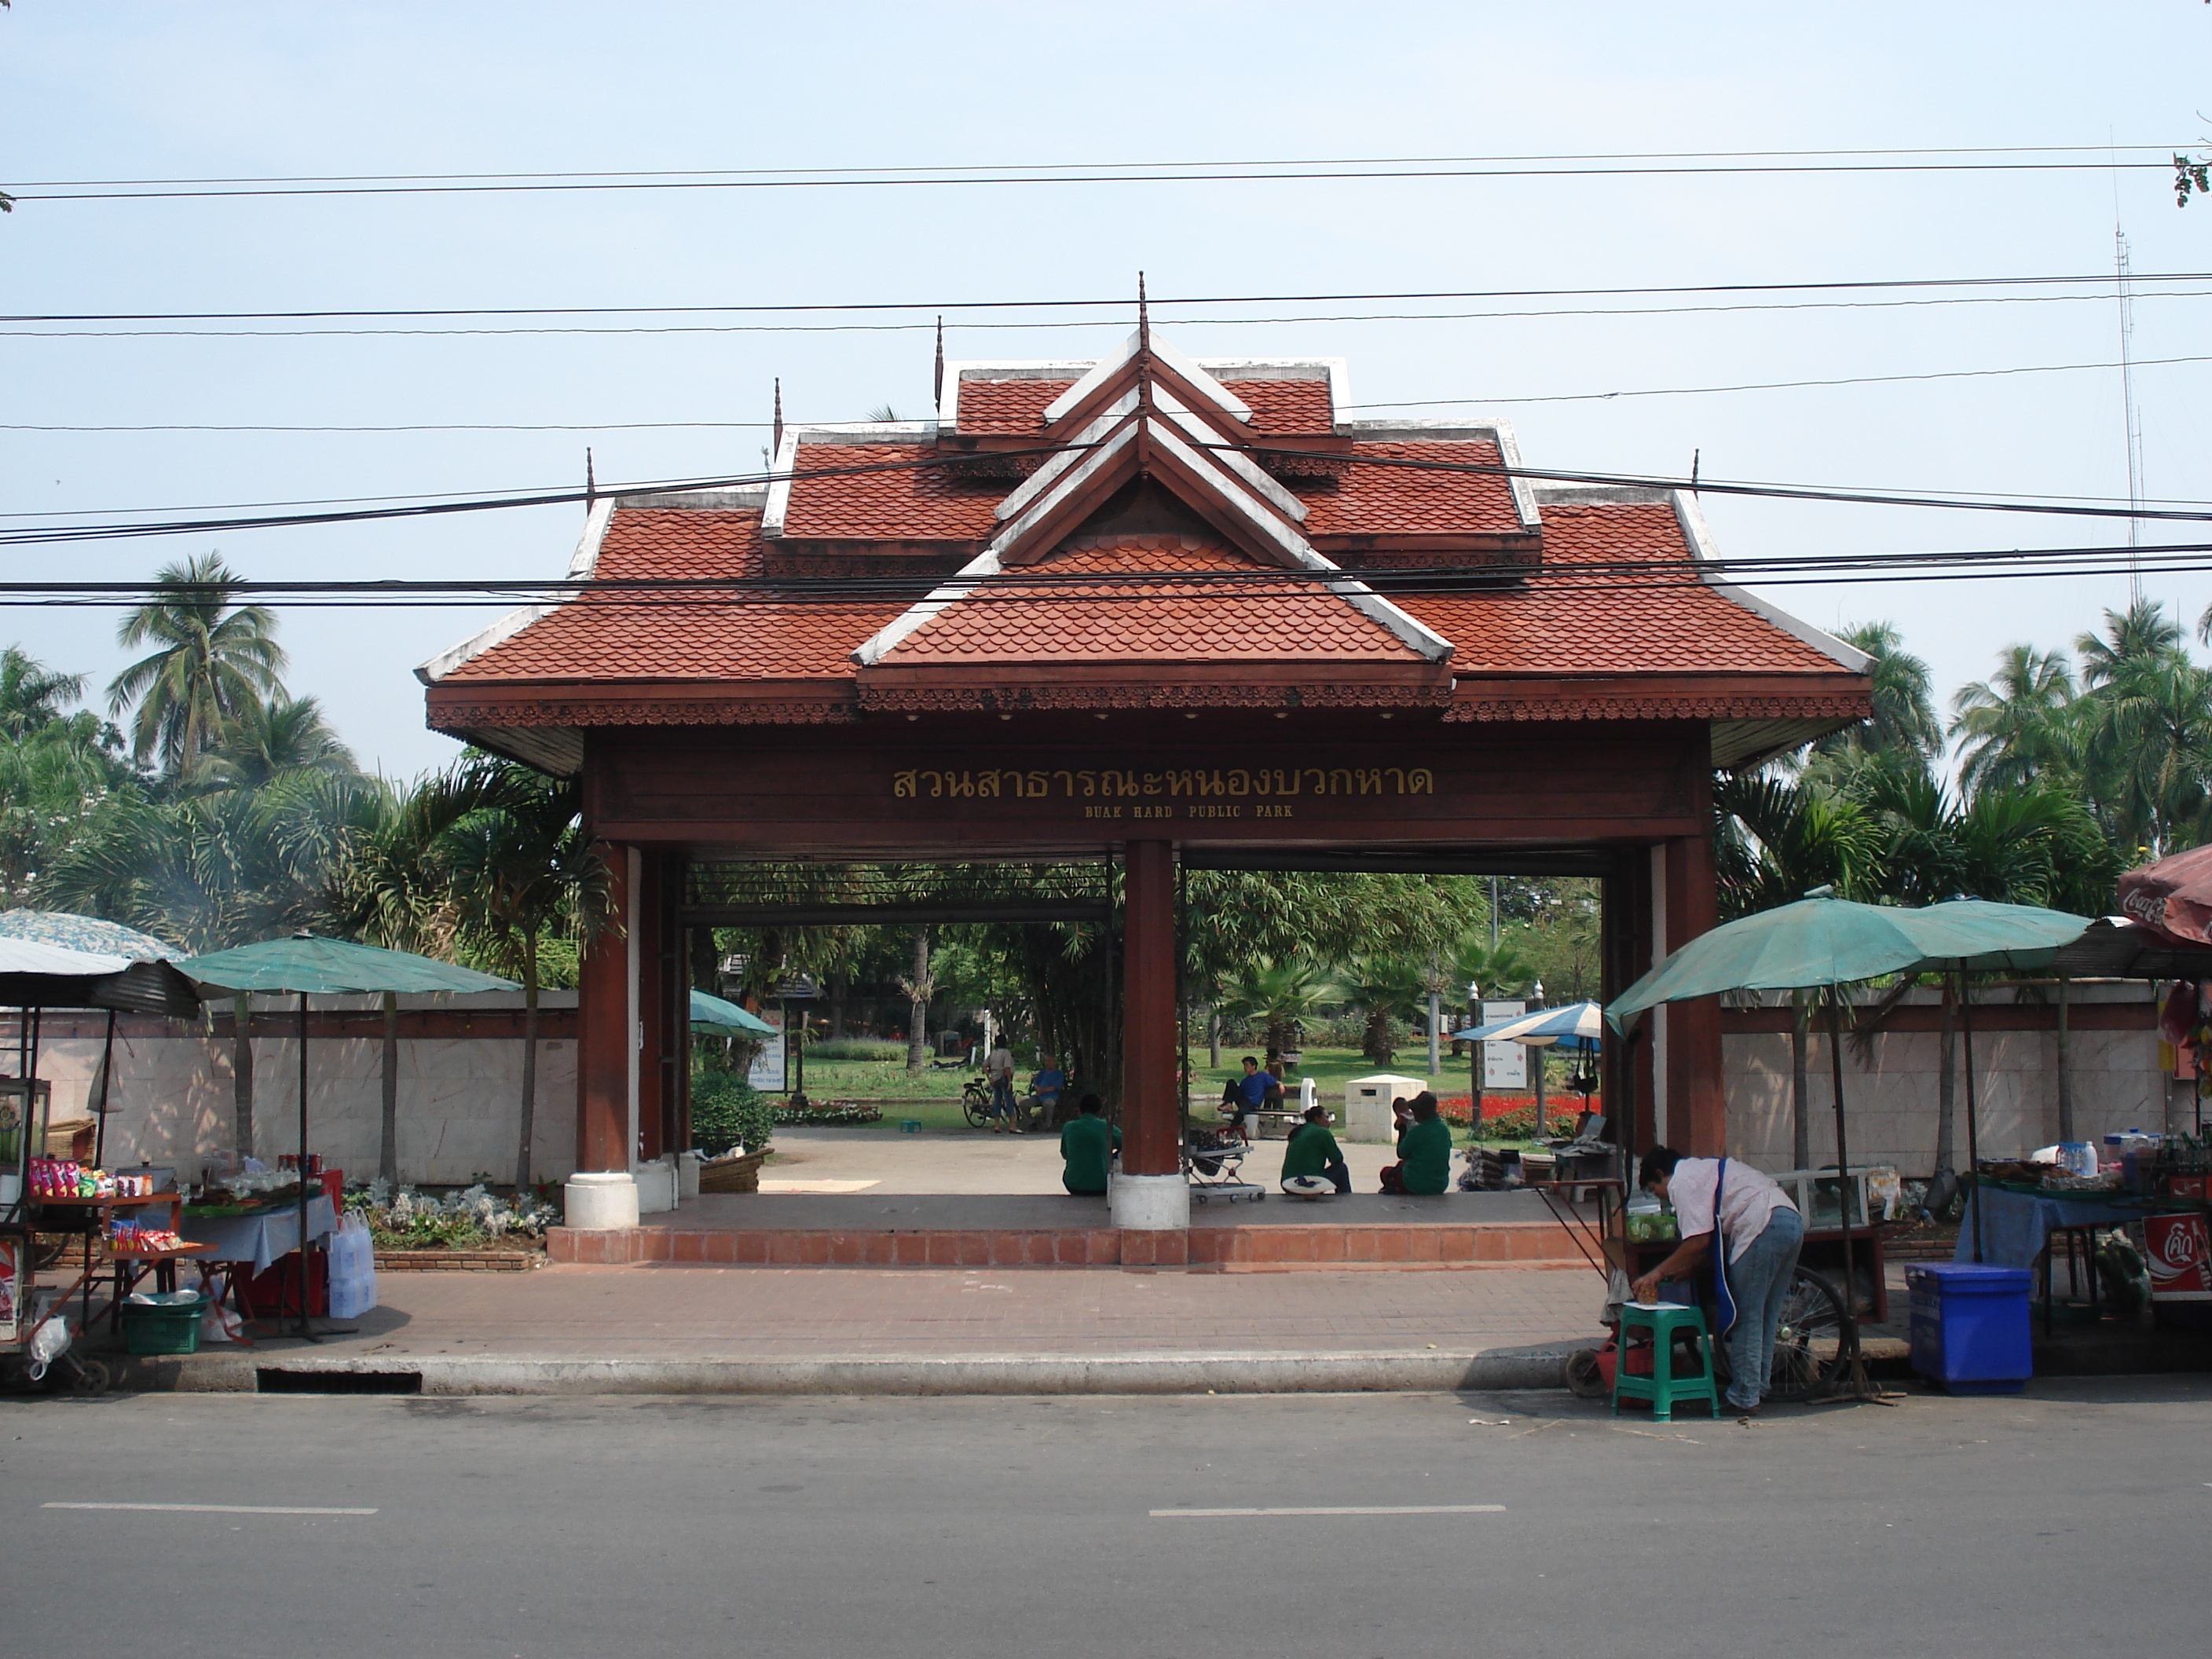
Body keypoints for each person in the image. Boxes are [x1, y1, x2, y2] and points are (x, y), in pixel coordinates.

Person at [1630, 1144, 1805, 1415]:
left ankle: (1745, 1397)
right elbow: (1711, 1241)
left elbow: (1698, 1241)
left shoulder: (1681, 1182)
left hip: (1762, 1224)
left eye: (1656, 1190)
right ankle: (1757, 1388)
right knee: (1766, 1316)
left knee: (1746, 1317)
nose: (1663, 1198)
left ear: (1661, 1174)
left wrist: (1657, 1273)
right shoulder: (1702, 1169)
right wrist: (1691, 1268)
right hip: (1789, 1218)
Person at [1379, 1091, 1452, 1195]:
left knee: (1386, 1173)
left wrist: (1404, 1129)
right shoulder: (1444, 1129)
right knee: (1401, 1165)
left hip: (1415, 1184)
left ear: (1420, 1113)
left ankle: (1398, 1188)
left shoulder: (1417, 1131)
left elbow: (1401, 1153)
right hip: (1440, 1184)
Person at [1280, 1102, 1350, 1194]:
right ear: (1317, 1118)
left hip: (1287, 1184)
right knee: (1341, 1168)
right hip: (1309, 1183)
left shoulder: (1298, 1131)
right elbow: (1337, 1159)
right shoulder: (1322, 1132)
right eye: (1326, 1117)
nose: (1328, 1121)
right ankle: (1346, 1199)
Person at [1059, 1094, 1121, 1196]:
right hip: (1102, 1185)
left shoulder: (1069, 1127)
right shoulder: (1106, 1126)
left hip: (1073, 1185)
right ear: (1099, 1111)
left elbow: (1065, 1154)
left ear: (1079, 1110)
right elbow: (1126, 1145)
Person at [1229, 1055, 1280, 1145]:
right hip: (1244, 1102)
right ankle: (1228, 1104)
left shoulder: (1262, 1076)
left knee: (1242, 1110)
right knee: (1231, 1083)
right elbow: (1238, 1093)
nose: (1245, 1068)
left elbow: (1276, 1081)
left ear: (1253, 1066)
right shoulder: (1245, 1081)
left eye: (1247, 1065)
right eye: (1244, 1065)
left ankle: (1230, 1130)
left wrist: (1280, 1085)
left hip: (1253, 1104)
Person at [983, 1038, 1018, 1132]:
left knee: (997, 1101)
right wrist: (1010, 1081)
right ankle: (1012, 1125)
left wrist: (989, 1078)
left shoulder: (993, 1053)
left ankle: (997, 1125)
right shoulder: (1006, 1053)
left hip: (994, 1079)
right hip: (1003, 1078)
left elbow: (984, 1065)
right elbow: (1007, 1067)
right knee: (1009, 1101)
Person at [1028, 1053, 1068, 1130]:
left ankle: (1048, 1125)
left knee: (1049, 1104)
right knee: (1023, 1104)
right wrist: (1037, 1089)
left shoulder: (1058, 1073)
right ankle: (1032, 1123)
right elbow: (1035, 1082)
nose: (1047, 1063)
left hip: (1051, 1096)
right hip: (1038, 1096)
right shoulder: (1042, 1072)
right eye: (1046, 1061)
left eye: (1050, 1061)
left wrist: (1042, 1090)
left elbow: (1054, 1087)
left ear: (1054, 1062)